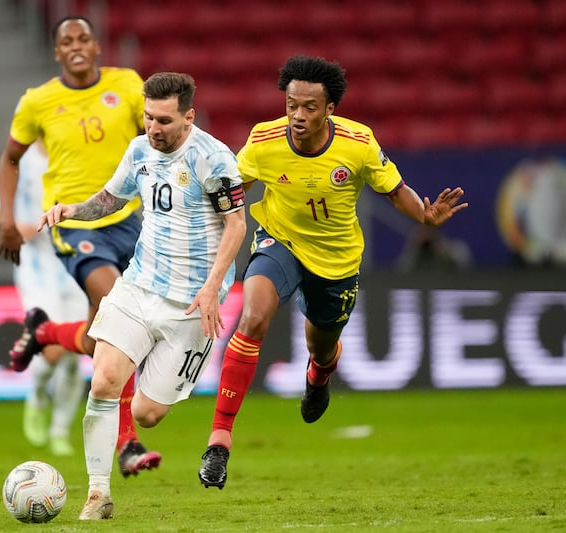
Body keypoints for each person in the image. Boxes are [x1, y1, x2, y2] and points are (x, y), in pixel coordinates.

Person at [197, 55, 468, 489]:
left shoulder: (358, 144)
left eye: (308, 107)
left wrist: (424, 215)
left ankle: (318, 376)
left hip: (337, 260)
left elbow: (394, 190)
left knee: (321, 346)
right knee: (252, 318)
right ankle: (219, 441)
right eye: (291, 105)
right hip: (279, 241)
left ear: (329, 110)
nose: (297, 115)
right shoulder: (263, 141)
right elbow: (233, 190)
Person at [38, 72, 246, 520]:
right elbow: (113, 198)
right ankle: (97, 495)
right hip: (137, 285)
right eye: (149, 117)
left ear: (188, 116)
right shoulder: (138, 150)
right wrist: (72, 210)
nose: (154, 128)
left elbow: (237, 225)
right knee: (104, 381)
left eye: (165, 121)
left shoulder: (215, 159)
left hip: (192, 304)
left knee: (149, 413)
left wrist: (213, 287)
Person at [0, 15, 161, 476]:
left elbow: (155, 137)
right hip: (72, 224)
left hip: (129, 222)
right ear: (56, 52)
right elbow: (10, 160)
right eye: (66, 39)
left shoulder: (127, 85)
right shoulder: (38, 102)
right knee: (117, 310)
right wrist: (8, 219)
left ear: (96, 47)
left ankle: (44, 332)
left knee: (96, 339)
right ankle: (127, 443)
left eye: (83, 38)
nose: (75, 45)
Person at [0, 141, 88, 456]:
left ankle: (60, 430)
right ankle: (36, 394)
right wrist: (15, 227)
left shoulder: (78, 153)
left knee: (79, 349)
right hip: (37, 266)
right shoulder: (19, 161)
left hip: (76, 261)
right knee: (54, 347)